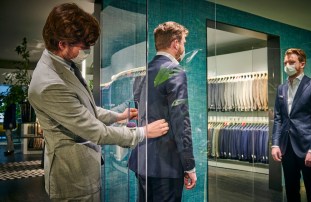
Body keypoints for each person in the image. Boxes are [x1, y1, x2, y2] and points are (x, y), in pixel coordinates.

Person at [28, 3, 169, 201]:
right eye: (82, 47)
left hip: (84, 170)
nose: (85, 51)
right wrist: (143, 132)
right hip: (73, 178)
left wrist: (118, 116)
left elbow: (83, 109)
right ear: (62, 44)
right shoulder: (50, 84)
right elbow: (95, 131)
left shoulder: (63, 64)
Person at [128, 21, 196, 202]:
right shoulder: (174, 71)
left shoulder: (142, 73)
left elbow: (138, 111)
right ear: (175, 43)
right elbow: (181, 122)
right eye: (183, 43)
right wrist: (189, 165)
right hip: (166, 165)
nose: (183, 47)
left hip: (142, 161)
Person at [271, 48, 311, 202]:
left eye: (291, 62)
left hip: (308, 147)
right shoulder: (281, 88)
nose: (287, 65)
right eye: (285, 63)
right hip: (286, 148)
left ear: (302, 64)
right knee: (291, 190)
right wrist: (275, 144)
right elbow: (278, 118)